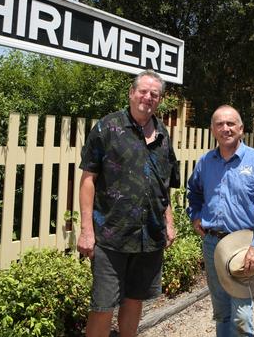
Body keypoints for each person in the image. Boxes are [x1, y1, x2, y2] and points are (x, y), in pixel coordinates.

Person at [77, 69, 180, 337]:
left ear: (160, 100)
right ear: (131, 93)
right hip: (112, 236)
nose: (148, 97)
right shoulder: (107, 128)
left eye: (154, 94)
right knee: (103, 305)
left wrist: (168, 221)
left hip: (149, 236)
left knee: (135, 300)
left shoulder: (162, 134)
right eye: (143, 91)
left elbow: (163, 184)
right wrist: (87, 230)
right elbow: (88, 179)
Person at [187, 105, 254, 337]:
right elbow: (194, 192)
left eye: (230, 124)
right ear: (212, 129)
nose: (225, 128)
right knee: (222, 312)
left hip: (245, 247)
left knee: (241, 316)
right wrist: (195, 215)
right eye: (219, 124)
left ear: (241, 128)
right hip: (213, 245)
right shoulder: (206, 162)